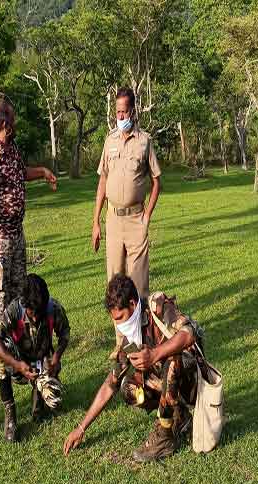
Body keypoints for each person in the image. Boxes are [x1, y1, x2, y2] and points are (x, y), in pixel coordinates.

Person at [63, 274, 200, 462]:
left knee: (171, 360)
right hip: (169, 387)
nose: (119, 325)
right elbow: (110, 385)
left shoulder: (157, 306)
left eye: (121, 317)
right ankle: (178, 416)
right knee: (128, 387)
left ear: (133, 304)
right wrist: (81, 428)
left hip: (192, 379)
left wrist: (154, 355)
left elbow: (190, 333)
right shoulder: (130, 338)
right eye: (115, 320)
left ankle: (165, 438)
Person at [0, 100, 58, 418]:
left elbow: (20, 174)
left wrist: (43, 172)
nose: (15, 128)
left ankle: (27, 375)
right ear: (3, 123)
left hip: (18, 238)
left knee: (23, 306)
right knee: (0, 315)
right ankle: (8, 397)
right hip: (1, 242)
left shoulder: (12, 149)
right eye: (11, 122)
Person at [90, 88, 162, 360]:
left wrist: (147, 216)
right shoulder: (109, 142)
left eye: (124, 112)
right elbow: (102, 181)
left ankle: (143, 341)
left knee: (138, 284)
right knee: (115, 282)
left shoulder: (145, 142)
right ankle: (120, 343)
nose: (121, 116)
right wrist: (96, 221)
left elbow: (157, 181)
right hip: (113, 220)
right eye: (117, 112)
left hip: (136, 220)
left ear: (133, 111)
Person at [0, 274, 70, 442]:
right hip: (18, 364)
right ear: (24, 305)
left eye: (40, 312)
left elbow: (65, 334)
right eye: (32, 313)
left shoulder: (53, 308)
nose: (36, 317)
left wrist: (56, 358)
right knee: (0, 354)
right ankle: (10, 412)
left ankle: (38, 393)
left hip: (43, 362)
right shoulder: (14, 310)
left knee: (55, 401)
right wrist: (18, 365)